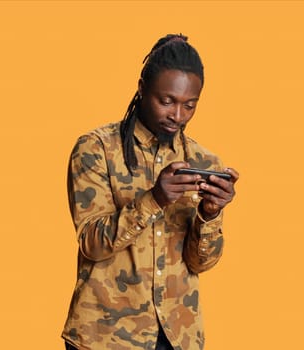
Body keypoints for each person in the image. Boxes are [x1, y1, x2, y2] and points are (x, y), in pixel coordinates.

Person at [61, 34, 239, 350]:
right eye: (166, 101)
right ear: (142, 89)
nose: (178, 115)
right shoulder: (96, 149)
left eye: (189, 105)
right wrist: (154, 199)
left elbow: (201, 264)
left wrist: (210, 214)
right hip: (105, 337)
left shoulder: (202, 161)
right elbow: (92, 243)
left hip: (177, 336)